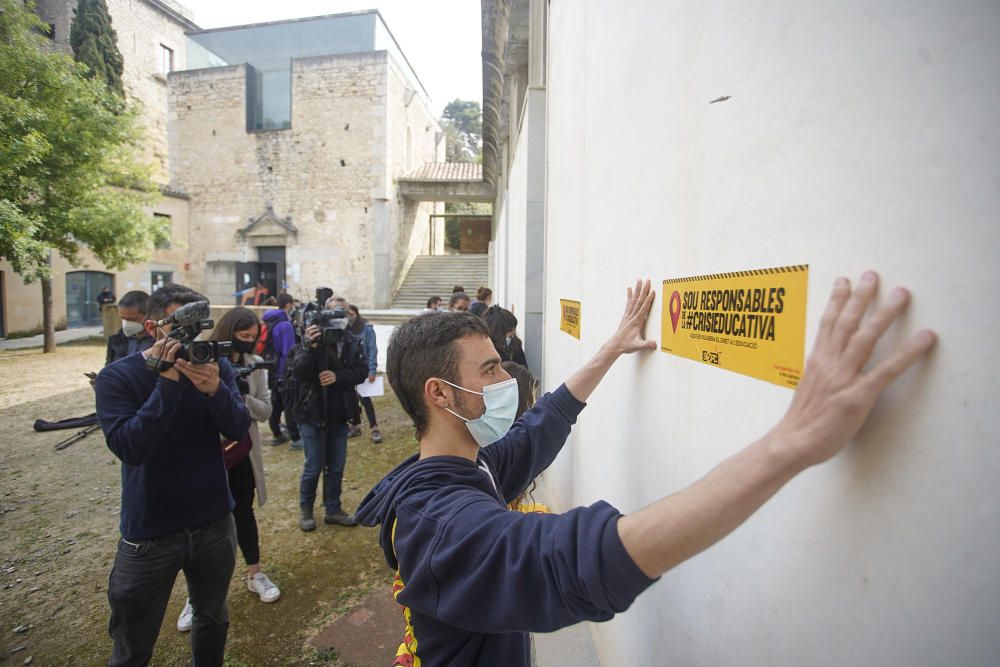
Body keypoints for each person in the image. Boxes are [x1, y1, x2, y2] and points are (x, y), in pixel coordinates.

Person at [355, 274, 936, 666]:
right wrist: (790, 444)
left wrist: (610, 348)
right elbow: (570, 560)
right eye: (489, 371)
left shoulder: (467, 464)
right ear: (440, 393)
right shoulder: (440, 521)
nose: (508, 380)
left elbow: (542, 428)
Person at [94, 283, 250, 666]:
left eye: (195, 330)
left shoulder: (213, 364)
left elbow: (238, 428)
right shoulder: (117, 378)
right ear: (153, 326)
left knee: (212, 619)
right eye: (179, 330)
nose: (188, 340)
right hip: (150, 531)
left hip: (213, 521)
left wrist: (216, 390)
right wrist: (167, 381)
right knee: (133, 640)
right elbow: (131, 447)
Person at [176, 307, 281, 631]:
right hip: (206, 455)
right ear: (228, 332)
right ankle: (195, 597)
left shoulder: (255, 366)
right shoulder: (199, 359)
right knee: (202, 525)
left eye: (253, 338)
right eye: (243, 337)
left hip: (241, 454)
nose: (248, 343)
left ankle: (255, 573)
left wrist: (243, 398)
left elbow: (265, 410)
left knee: (243, 513)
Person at [290, 298, 369, 531]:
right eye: (332, 313)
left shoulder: (351, 340)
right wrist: (309, 346)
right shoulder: (309, 340)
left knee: (336, 466)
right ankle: (306, 509)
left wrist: (339, 377)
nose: (337, 318)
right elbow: (299, 373)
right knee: (313, 466)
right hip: (311, 412)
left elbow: (361, 371)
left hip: (339, 412)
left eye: (342, 313)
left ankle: (333, 508)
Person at [262, 294, 300, 447]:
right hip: (284, 370)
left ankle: (276, 433)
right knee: (289, 403)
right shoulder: (285, 325)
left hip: (272, 367)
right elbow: (288, 350)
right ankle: (295, 438)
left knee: (276, 403)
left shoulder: (270, 320)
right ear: (289, 304)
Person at [346, 304, 383, 443]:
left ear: (356, 313)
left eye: (351, 313)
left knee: (365, 399)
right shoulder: (344, 328)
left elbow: (372, 349)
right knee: (351, 399)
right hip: (348, 370)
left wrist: (372, 369)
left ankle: (374, 427)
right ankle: (355, 425)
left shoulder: (367, 329)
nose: (349, 317)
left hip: (363, 368)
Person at [105, 290, 153, 366]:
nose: (126, 323)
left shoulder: (160, 341)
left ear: (148, 315)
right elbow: (109, 369)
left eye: (132, 319)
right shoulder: (115, 341)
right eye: (123, 318)